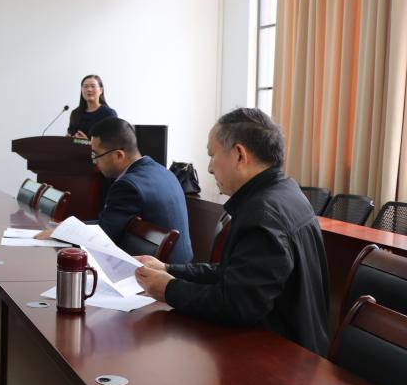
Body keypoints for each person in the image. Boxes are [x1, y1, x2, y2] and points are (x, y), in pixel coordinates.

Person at [134, 108, 330, 355]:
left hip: (282, 357)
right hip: (296, 344)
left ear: (239, 155)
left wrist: (169, 289)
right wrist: (168, 269)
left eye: (212, 155)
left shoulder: (261, 214)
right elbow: (236, 274)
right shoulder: (285, 193)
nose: (209, 168)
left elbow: (237, 304)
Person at [38, 118, 194, 263]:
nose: (94, 161)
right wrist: (68, 227)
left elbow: (103, 233)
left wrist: (63, 232)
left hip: (162, 273)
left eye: (96, 155)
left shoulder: (128, 185)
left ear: (118, 155)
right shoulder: (163, 171)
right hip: (181, 266)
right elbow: (109, 223)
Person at [66, 74, 118, 139]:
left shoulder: (109, 114)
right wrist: (69, 139)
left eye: (93, 86)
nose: (89, 89)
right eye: (85, 86)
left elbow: (112, 142)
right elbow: (72, 135)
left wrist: (86, 142)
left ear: (101, 90)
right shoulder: (75, 113)